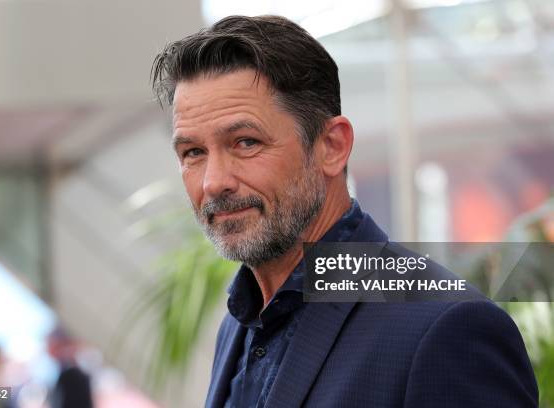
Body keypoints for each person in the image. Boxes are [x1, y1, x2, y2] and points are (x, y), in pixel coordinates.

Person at [151, 15, 539, 407]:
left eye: (246, 142)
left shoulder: (445, 328)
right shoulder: (239, 323)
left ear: (332, 146)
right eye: (193, 152)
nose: (213, 182)